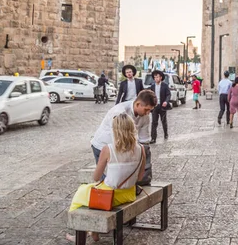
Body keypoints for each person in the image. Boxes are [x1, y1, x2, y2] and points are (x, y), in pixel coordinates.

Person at [69, 113, 146, 242]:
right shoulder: (141, 149)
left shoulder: (108, 149)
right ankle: (93, 231)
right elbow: (140, 177)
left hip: (110, 196)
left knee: (81, 193)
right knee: (89, 195)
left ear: (115, 130)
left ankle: (79, 235)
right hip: (129, 194)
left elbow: (96, 177)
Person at [90, 90, 156, 168]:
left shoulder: (145, 117)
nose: (148, 113)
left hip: (123, 149)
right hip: (103, 146)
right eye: (146, 109)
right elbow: (117, 140)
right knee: (108, 178)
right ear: (138, 104)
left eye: (150, 110)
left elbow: (144, 140)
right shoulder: (119, 112)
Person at [149, 70, 171, 143]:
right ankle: (153, 138)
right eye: (155, 77)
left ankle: (166, 133)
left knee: (163, 121)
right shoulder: (152, 86)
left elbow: (168, 94)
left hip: (162, 106)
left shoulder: (165, 85)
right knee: (154, 122)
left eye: (157, 77)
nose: (156, 78)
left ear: (161, 78)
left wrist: (166, 101)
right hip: (155, 106)